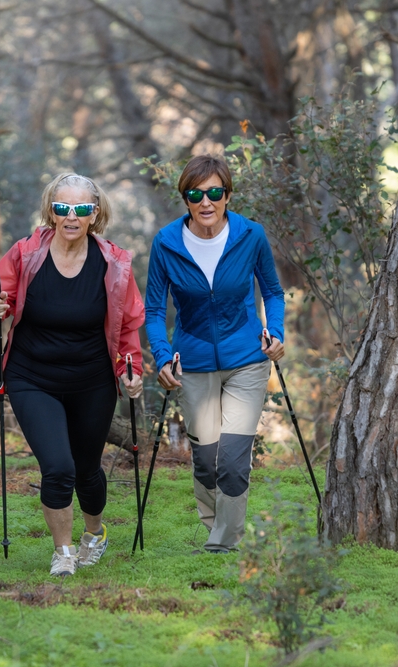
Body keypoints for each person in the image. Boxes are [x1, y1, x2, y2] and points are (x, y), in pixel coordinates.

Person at [0, 173, 145, 577]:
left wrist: (131, 369)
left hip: (92, 379)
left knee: (87, 468)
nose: (72, 216)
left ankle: (95, 534)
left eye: (82, 209)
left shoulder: (114, 264)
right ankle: (63, 552)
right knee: (57, 466)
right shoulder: (26, 253)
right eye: (63, 208)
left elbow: (127, 325)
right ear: (50, 210)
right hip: (32, 376)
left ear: (95, 214)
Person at [144, 154, 285, 554]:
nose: (205, 202)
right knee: (206, 459)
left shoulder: (250, 235)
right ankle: (214, 527)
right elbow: (155, 309)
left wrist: (275, 332)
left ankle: (223, 544)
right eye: (195, 194)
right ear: (185, 199)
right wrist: (162, 354)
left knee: (235, 459)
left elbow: (272, 292)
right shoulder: (167, 243)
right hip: (193, 361)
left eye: (214, 193)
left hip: (247, 358)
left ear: (227, 195)